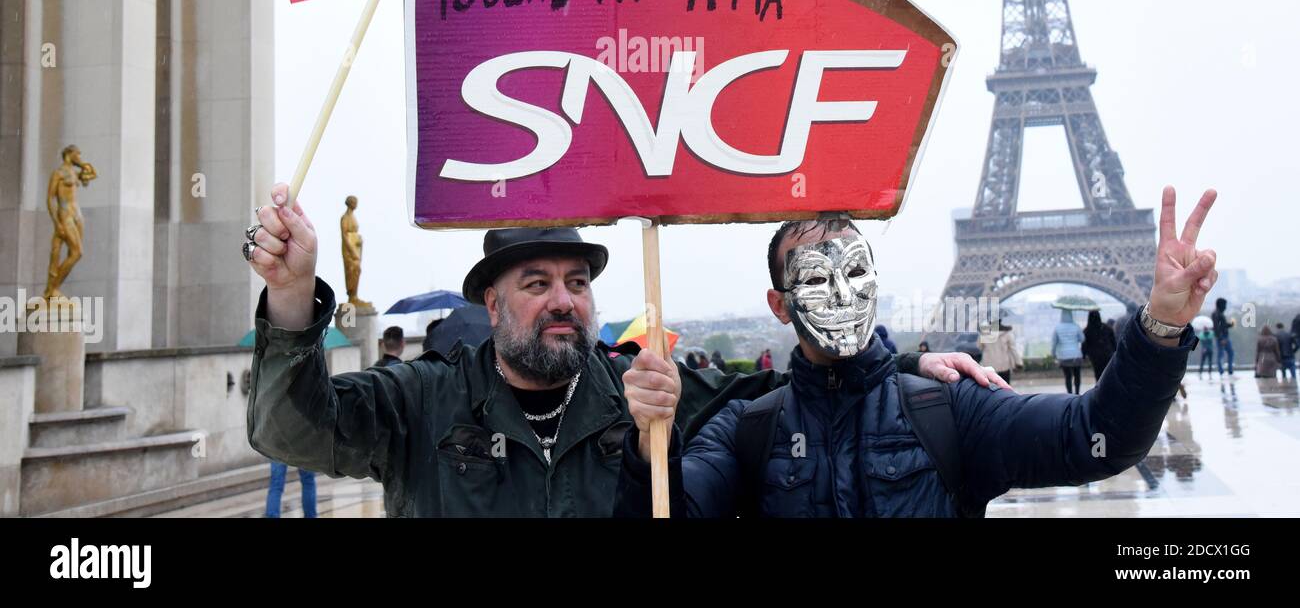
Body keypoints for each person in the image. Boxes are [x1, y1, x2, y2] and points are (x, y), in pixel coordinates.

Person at [243, 182, 996, 518]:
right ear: (493, 303)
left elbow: (766, 388)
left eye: (576, 280)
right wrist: (289, 294)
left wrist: (898, 364)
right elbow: (289, 429)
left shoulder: (637, 388)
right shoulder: (421, 399)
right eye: (536, 282)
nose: (563, 299)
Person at [614, 186, 1217, 518]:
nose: (844, 294)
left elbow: (1096, 439)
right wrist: (648, 448)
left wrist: (1160, 328)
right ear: (780, 304)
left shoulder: (950, 409)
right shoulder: (744, 432)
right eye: (819, 280)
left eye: (856, 271)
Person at [1052, 308, 1085, 394]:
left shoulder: (1057, 327)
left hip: (1064, 356)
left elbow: (1054, 342)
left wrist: (1053, 354)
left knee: (1068, 376)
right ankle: (1077, 393)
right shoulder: (1076, 326)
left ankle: (1070, 393)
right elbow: (1082, 339)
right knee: (1077, 375)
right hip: (1076, 355)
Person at [980, 319, 1022, 386]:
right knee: (1005, 387)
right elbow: (1013, 349)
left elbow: (980, 347)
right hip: (1004, 365)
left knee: (990, 388)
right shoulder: (1007, 333)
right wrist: (1018, 362)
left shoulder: (985, 334)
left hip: (988, 365)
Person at [1082, 309, 1117, 382]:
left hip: (1095, 357)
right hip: (1107, 354)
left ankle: (1099, 390)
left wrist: (1084, 356)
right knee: (1108, 374)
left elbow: (1084, 345)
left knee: (1098, 374)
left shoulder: (1087, 331)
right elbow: (1114, 343)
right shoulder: (1107, 328)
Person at [1212, 297, 1235, 375]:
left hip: (1223, 336)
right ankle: (1223, 370)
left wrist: (1230, 325)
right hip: (1222, 337)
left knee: (1226, 353)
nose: (1225, 307)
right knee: (1223, 353)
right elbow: (1216, 327)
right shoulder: (1216, 314)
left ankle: (1227, 370)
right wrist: (1221, 338)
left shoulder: (1219, 313)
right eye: (1225, 305)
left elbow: (1222, 325)